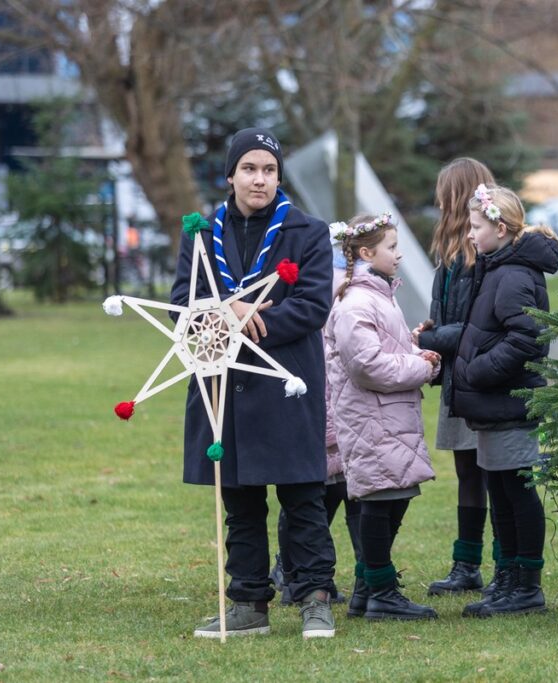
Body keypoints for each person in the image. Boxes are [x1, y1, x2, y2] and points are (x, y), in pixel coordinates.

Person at [171, 127, 336, 639]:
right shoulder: (201, 232)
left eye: (268, 169)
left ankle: (314, 598)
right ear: (230, 175)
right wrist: (226, 312)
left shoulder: (307, 231)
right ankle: (247, 602)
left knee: (303, 497)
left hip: (286, 381)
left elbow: (312, 305)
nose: (259, 179)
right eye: (249, 168)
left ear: (278, 177)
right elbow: (183, 300)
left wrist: (253, 323)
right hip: (223, 382)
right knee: (239, 500)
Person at [451, 184, 558, 618]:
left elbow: (527, 339)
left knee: (516, 492)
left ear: (500, 226)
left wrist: (478, 372)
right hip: (495, 407)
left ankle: (526, 585)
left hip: (510, 404)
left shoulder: (513, 274)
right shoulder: (497, 266)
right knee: (500, 490)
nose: (470, 235)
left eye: (476, 226)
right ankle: (508, 576)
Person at [328, 213, 441, 620]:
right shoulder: (356, 301)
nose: (399, 254)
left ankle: (366, 590)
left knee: (394, 499)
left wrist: (416, 353)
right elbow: (367, 365)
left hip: (390, 418)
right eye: (392, 247)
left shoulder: (379, 296)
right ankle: (380, 591)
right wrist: (422, 369)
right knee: (380, 501)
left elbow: (388, 348)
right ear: (365, 252)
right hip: (371, 419)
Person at [415, 158, 501, 596]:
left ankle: (506, 566)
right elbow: (448, 316)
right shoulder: (449, 255)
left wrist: (438, 337)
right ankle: (466, 564)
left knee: (495, 474)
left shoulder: (484, 256)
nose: (438, 200)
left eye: (443, 192)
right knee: (468, 474)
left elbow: (478, 324)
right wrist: (428, 333)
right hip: (457, 380)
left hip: (481, 379)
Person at [270, 232, 362, 608]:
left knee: (327, 499)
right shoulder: (326, 296)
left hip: (338, 423)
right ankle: (292, 572)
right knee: (311, 502)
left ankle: (298, 572)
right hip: (323, 420)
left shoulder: (346, 296)